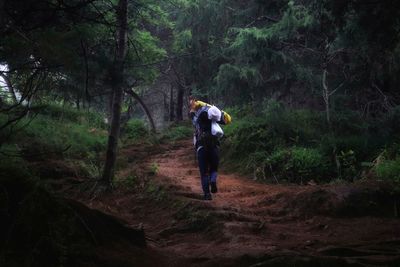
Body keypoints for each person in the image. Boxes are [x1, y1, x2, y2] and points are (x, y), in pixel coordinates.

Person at [189, 97, 232, 200]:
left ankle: (207, 195)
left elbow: (194, 120)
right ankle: (213, 180)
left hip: (201, 147)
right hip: (214, 146)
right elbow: (226, 120)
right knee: (214, 169)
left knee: (203, 173)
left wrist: (191, 114)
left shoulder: (198, 119)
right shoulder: (214, 120)